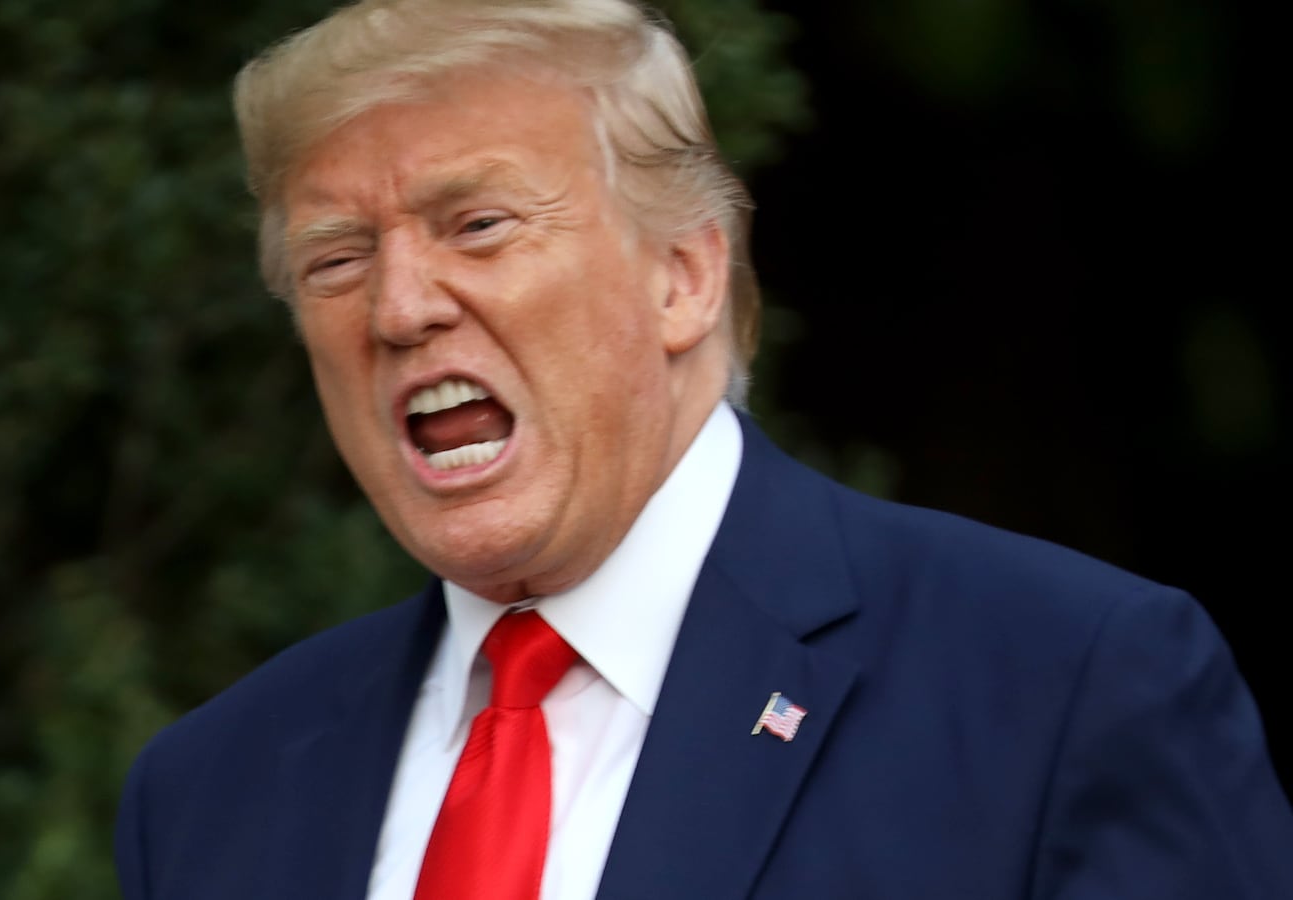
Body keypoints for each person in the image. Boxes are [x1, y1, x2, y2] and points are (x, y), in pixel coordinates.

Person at [114, 0, 1293, 897]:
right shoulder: (212, 789)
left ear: (681, 276)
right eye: (336, 259)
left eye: (477, 225)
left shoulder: (1064, 685)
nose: (398, 306)